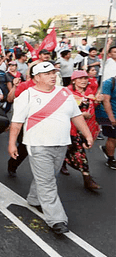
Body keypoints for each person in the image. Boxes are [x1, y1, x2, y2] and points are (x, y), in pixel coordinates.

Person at [8, 62, 94, 235]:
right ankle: (57, 219)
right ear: (37, 77)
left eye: (53, 73)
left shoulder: (65, 93)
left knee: (47, 176)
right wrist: (11, 143)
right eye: (47, 74)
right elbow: (16, 122)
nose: (53, 76)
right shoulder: (27, 95)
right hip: (38, 145)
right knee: (48, 182)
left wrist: (88, 134)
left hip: (61, 143)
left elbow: (76, 115)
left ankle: (33, 198)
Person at [59, 71, 101, 190]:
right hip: (69, 128)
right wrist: (81, 114)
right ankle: (86, 178)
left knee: (74, 151)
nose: (84, 81)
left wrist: (97, 101)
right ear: (73, 80)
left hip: (83, 128)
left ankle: (65, 163)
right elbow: (63, 110)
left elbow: (91, 106)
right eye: (80, 78)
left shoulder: (89, 92)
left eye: (85, 78)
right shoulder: (67, 93)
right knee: (76, 152)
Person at [96, 69, 116, 170]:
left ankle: (107, 149)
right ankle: (111, 159)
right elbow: (106, 101)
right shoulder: (109, 83)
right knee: (113, 138)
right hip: (112, 115)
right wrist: (111, 118)